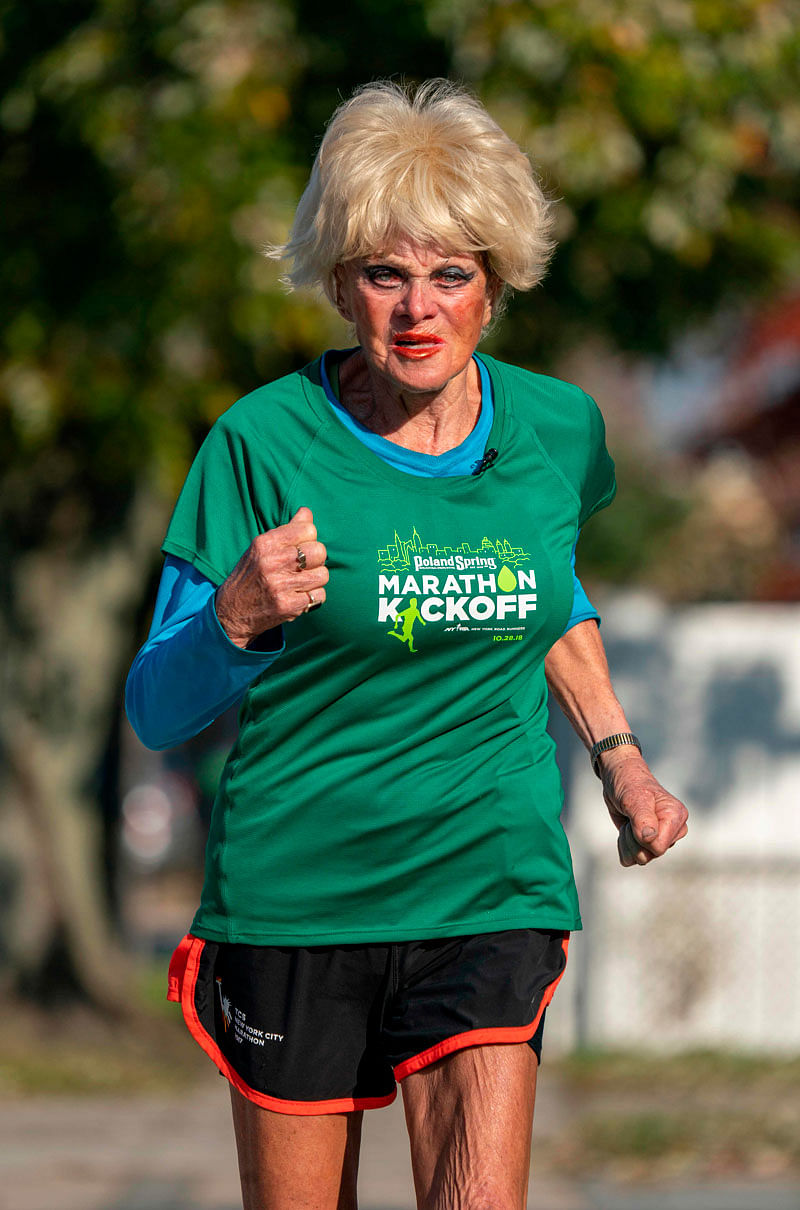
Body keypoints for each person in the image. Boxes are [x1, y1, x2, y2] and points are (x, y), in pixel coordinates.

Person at [126, 79, 688, 1210]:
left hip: (488, 872)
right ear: (340, 283)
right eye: (385, 273)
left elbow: (545, 591)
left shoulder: (557, 430)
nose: (417, 309)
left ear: (495, 283)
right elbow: (154, 706)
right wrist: (236, 615)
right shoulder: (259, 442)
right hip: (300, 890)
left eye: (450, 274)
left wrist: (616, 752)